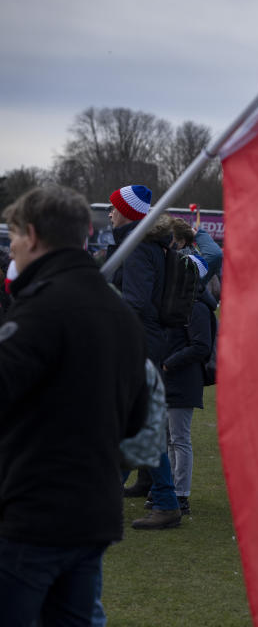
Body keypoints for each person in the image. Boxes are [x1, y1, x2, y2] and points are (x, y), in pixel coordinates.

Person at [0, 186, 148, 623]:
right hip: (93, 511)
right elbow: (136, 417)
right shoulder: (119, 313)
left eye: (12, 236)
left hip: (32, 513)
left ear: (32, 235)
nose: (11, 247)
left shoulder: (39, 312)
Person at [106, 184, 182, 529]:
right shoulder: (150, 244)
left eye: (113, 207)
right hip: (149, 340)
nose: (109, 213)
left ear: (127, 212)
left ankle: (166, 502)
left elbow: (136, 303)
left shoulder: (135, 248)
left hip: (138, 341)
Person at [162, 218, 215, 515]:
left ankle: (181, 493)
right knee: (170, 437)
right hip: (173, 376)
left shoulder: (196, 306)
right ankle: (170, 489)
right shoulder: (183, 302)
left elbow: (200, 346)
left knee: (179, 439)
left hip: (183, 378)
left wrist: (169, 363)